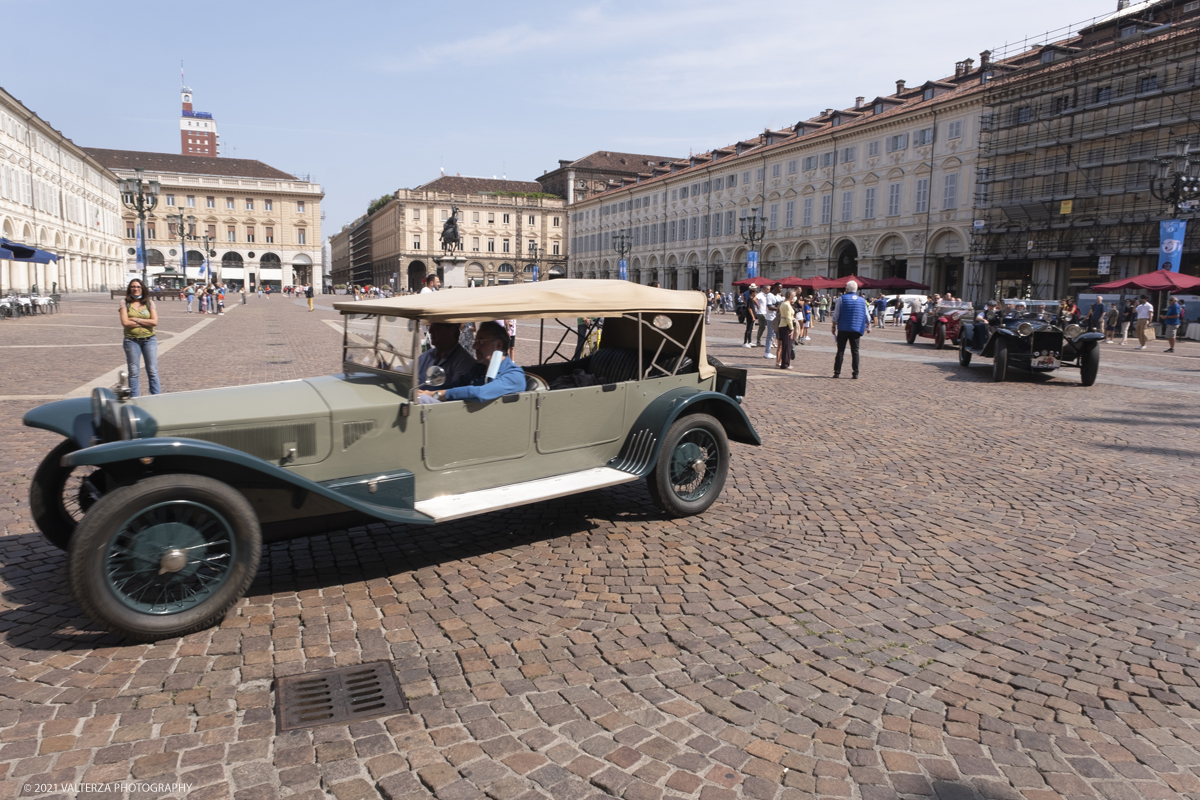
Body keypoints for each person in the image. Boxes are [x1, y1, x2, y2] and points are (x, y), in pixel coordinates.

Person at [418, 321, 525, 403]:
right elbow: (455, 385)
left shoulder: (514, 376)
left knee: (423, 400)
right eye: (475, 341)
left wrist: (434, 394)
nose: (474, 346)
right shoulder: (479, 369)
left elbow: (479, 392)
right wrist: (426, 391)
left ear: (498, 345)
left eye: (481, 341)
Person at [119, 278, 161, 397]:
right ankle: (135, 399)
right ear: (129, 288)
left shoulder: (149, 302)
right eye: (133, 286)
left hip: (150, 340)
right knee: (133, 372)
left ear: (142, 288)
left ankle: (156, 397)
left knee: (152, 370)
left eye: (138, 286)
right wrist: (145, 321)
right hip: (131, 340)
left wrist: (136, 319)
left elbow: (155, 322)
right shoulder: (124, 303)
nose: (135, 289)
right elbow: (125, 323)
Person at [417, 322, 477, 388]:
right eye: (430, 326)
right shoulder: (425, 357)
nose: (430, 331)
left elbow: (455, 393)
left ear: (451, 331)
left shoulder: (464, 363)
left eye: (436, 327)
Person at [831, 280, 870, 379]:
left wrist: (833, 325)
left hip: (843, 327)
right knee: (855, 351)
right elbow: (867, 315)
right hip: (856, 328)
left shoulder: (842, 299)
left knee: (840, 350)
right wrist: (868, 325)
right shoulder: (862, 300)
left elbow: (836, 314)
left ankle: (837, 372)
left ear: (847, 288)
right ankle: (855, 372)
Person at [776, 290, 797, 370]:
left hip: (783, 325)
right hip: (786, 326)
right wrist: (792, 329)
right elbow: (788, 318)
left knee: (785, 345)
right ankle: (785, 364)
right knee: (787, 346)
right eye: (794, 295)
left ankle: (784, 363)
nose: (795, 297)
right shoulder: (787, 305)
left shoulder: (784, 304)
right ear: (791, 296)